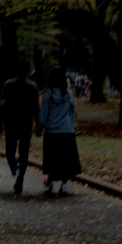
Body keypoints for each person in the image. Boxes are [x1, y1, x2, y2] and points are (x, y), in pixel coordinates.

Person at [0, 57, 39, 194]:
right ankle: (20, 180)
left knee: (10, 152)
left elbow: (1, 104)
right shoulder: (32, 86)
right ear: (27, 70)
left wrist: (0, 123)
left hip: (11, 122)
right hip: (26, 122)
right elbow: (36, 107)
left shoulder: (9, 84)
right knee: (24, 153)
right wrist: (38, 123)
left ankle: (15, 170)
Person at [36, 65, 82, 195]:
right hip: (67, 131)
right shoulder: (68, 93)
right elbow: (72, 110)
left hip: (52, 131)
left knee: (52, 159)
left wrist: (39, 129)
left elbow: (43, 114)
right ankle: (64, 185)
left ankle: (50, 183)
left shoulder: (48, 94)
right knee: (65, 160)